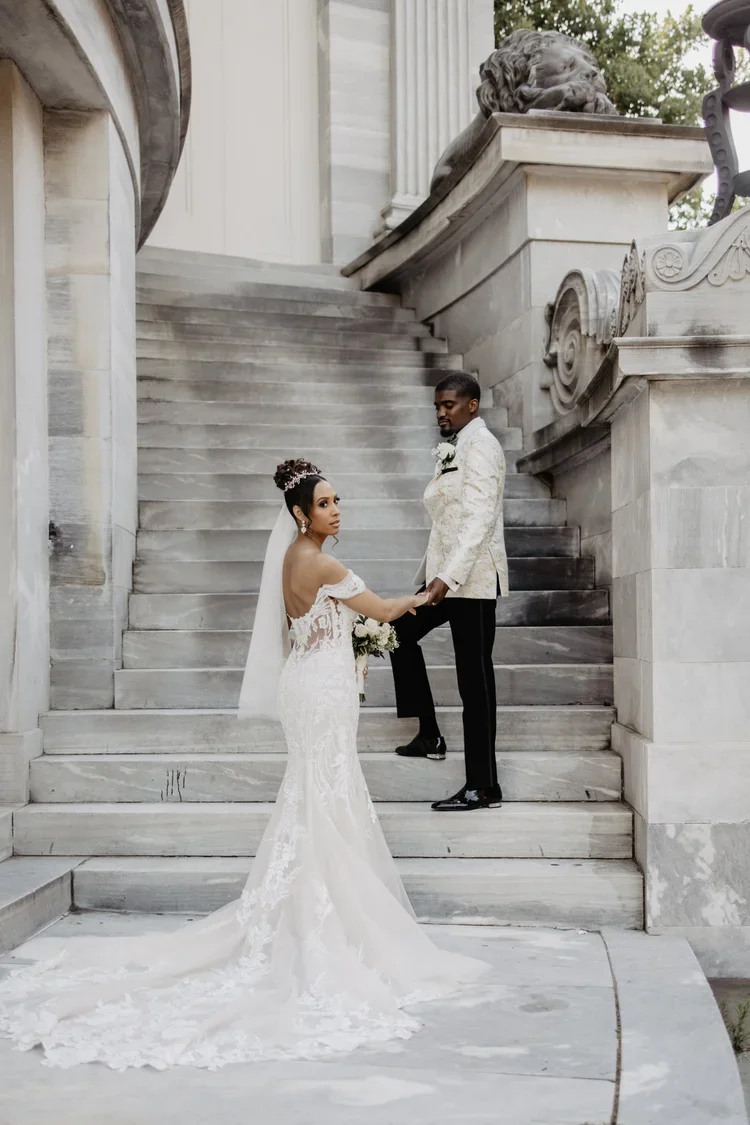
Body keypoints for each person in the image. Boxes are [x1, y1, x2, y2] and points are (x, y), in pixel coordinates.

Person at [0, 458, 486, 1071]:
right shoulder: (323, 562)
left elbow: (323, 623)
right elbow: (387, 611)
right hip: (323, 691)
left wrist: (355, 640)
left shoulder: (292, 560)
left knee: (316, 791)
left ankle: (312, 899)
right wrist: (433, 590)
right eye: (327, 503)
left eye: (338, 501)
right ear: (300, 514)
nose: (338, 511)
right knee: (326, 791)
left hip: (307, 683)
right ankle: (329, 916)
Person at [389, 372, 508, 812]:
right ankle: (429, 735)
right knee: (396, 633)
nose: (441, 412)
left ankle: (482, 786)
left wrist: (446, 580)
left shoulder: (482, 447)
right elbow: (446, 521)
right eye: (438, 405)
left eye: (450, 405)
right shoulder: (456, 445)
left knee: (474, 684)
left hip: (472, 582)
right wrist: (430, 577)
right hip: (446, 577)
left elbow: (479, 521)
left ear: (472, 405)